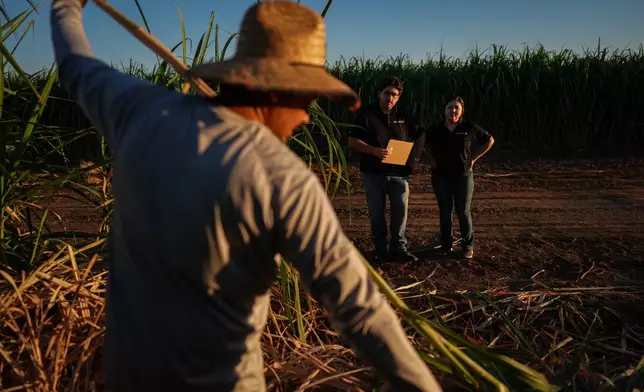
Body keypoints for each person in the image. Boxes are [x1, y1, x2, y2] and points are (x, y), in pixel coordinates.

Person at [50, 1, 442, 391]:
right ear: (276, 91)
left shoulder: (140, 112)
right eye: (305, 99)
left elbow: (76, 65)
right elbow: (359, 307)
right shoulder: (282, 179)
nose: (306, 116)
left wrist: (67, 6)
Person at [348, 77, 425, 263]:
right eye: (387, 93)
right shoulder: (366, 114)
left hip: (399, 174)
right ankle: (380, 250)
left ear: (398, 97)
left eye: (395, 95)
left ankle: (399, 248)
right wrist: (374, 151)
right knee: (377, 213)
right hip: (373, 173)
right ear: (379, 94)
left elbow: (421, 134)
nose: (390, 97)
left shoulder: (404, 114)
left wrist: (416, 159)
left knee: (400, 211)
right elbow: (352, 141)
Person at [424, 96, 494, 259]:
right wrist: (429, 160)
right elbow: (419, 143)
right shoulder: (435, 129)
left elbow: (489, 140)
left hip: (463, 176)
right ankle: (446, 245)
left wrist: (474, 159)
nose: (453, 110)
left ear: (462, 111)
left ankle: (467, 246)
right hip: (440, 176)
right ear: (444, 110)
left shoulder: (468, 127)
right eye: (449, 107)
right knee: (445, 210)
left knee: (463, 211)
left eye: (456, 107)